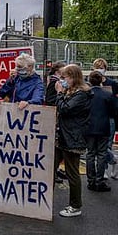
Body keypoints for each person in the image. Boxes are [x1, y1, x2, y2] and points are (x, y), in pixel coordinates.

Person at [54, 64, 93, 217]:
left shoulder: (81, 94)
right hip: (63, 136)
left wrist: (59, 93)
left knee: (72, 173)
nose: (62, 81)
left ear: (74, 77)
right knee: (51, 169)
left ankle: (75, 206)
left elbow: (65, 109)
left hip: (73, 138)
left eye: (65, 77)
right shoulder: (71, 91)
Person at [85, 71, 116, 192]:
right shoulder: (107, 95)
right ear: (101, 80)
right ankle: (99, 180)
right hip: (103, 126)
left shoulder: (86, 94)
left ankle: (90, 181)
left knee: (90, 154)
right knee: (102, 154)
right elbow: (113, 112)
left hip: (89, 127)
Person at [92, 58, 118, 178]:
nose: (100, 69)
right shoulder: (90, 82)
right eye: (98, 67)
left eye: (102, 67)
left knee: (106, 145)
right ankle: (111, 162)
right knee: (95, 148)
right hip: (95, 116)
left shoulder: (112, 83)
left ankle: (107, 167)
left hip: (108, 116)